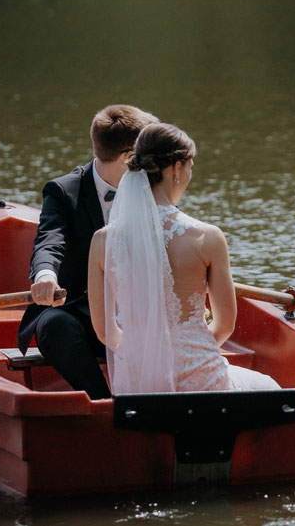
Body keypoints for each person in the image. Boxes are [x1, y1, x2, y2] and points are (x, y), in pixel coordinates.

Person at [86, 123, 279, 394]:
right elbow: (225, 326)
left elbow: (106, 332)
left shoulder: (102, 241)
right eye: (190, 166)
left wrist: (148, 357)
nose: (189, 174)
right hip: (202, 378)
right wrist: (187, 350)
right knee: (269, 388)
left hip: (138, 383)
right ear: (176, 168)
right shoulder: (208, 237)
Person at [17, 104, 159, 399]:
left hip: (137, 315)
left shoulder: (154, 188)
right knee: (54, 325)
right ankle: (106, 405)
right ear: (129, 158)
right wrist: (45, 276)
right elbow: (49, 240)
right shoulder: (63, 191)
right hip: (80, 314)